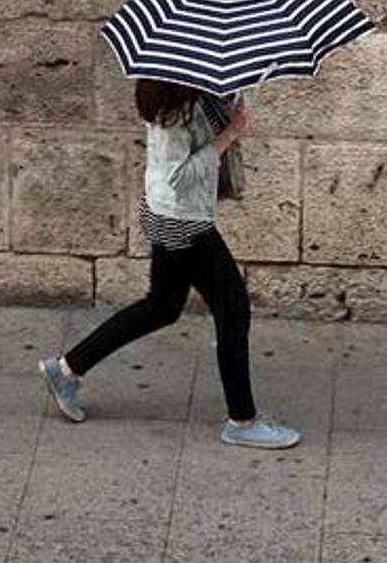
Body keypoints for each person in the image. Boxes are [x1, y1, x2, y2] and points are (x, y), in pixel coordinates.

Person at [37, 78, 301, 449]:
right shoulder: (177, 108)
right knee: (233, 309)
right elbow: (178, 177)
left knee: (161, 307)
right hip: (182, 219)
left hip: (166, 213)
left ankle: (65, 369)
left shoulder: (183, 90)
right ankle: (242, 420)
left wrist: (232, 107)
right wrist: (229, 135)